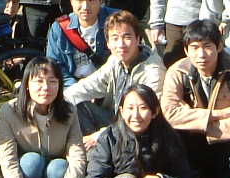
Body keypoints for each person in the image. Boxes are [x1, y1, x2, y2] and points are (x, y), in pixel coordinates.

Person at [160, 20, 230, 178]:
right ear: (186, 50)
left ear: (219, 46)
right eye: (194, 48)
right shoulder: (177, 72)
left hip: (226, 142)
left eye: (207, 47)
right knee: (168, 135)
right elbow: (170, 113)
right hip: (192, 141)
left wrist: (199, 124)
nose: (201, 54)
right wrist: (214, 115)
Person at [0, 57, 86, 178]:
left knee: (59, 166)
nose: (46, 88)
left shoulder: (69, 111)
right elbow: (8, 160)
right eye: (38, 81)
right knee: (31, 161)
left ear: (60, 85)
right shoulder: (9, 111)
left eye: (52, 81)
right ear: (27, 85)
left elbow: (77, 155)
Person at [64, 11, 166, 148]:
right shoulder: (115, 60)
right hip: (114, 120)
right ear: (108, 43)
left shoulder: (153, 71)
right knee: (76, 104)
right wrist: (55, 101)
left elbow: (148, 116)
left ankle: (94, 151)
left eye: (127, 37)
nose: (121, 44)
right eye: (115, 38)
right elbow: (88, 86)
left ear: (138, 39)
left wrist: (100, 135)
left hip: (140, 130)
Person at [45, 0, 116, 88]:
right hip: (73, 87)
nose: (85, 7)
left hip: (109, 86)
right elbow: (55, 67)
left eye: (91, 0)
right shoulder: (60, 28)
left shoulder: (116, 21)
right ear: (71, 0)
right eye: (79, 0)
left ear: (101, 0)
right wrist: (79, 89)